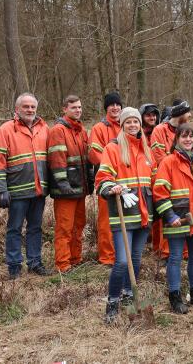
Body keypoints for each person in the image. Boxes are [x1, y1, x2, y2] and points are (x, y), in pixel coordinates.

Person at [95, 107, 155, 322]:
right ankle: (112, 301)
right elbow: (102, 177)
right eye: (128, 122)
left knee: (136, 258)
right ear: (122, 125)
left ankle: (130, 295)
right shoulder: (112, 148)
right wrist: (112, 187)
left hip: (143, 214)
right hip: (123, 214)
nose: (132, 125)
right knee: (122, 261)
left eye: (135, 122)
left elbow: (153, 182)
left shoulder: (146, 150)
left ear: (140, 125)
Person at [153, 124, 193, 313]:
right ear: (177, 139)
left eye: (191, 136)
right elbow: (160, 192)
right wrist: (169, 215)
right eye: (184, 137)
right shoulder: (169, 161)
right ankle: (175, 296)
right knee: (176, 258)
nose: (188, 140)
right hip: (177, 218)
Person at [0, 93, 51, 278]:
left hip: (39, 189)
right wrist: (1, 190)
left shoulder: (44, 128)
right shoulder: (6, 130)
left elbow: (50, 159)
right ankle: (14, 266)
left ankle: (35, 262)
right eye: (26, 106)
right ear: (17, 109)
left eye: (33, 107)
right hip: (17, 190)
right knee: (14, 228)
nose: (30, 110)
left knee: (35, 228)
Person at [47, 95, 93, 274]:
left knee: (78, 225)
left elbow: (87, 160)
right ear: (64, 109)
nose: (78, 110)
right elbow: (57, 160)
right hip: (65, 190)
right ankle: (63, 264)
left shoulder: (81, 131)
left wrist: (90, 182)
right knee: (64, 228)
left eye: (80, 107)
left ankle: (76, 259)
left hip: (80, 188)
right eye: (74, 107)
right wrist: (63, 184)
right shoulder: (58, 130)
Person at [149, 99, 192, 259]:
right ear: (180, 116)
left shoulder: (185, 130)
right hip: (165, 179)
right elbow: (160, 157)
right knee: (166, 216)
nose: (190, 117)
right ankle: (165, 253)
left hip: (184, 181)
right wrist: (177, 166)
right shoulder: (159, 130)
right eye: (188, 115)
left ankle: (185, 251)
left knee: (184, 212)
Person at [88, 92, 124, 266]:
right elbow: (94, 154)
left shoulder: (127, 125)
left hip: (126, 180)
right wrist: (113, 166)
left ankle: (123, 254)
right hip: (107, 180)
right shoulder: (99, 128)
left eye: (118, 104)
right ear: (106, 108)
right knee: (106, 220)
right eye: (112, 105)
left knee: (126, 218)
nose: (115, 108)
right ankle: (107, 257)